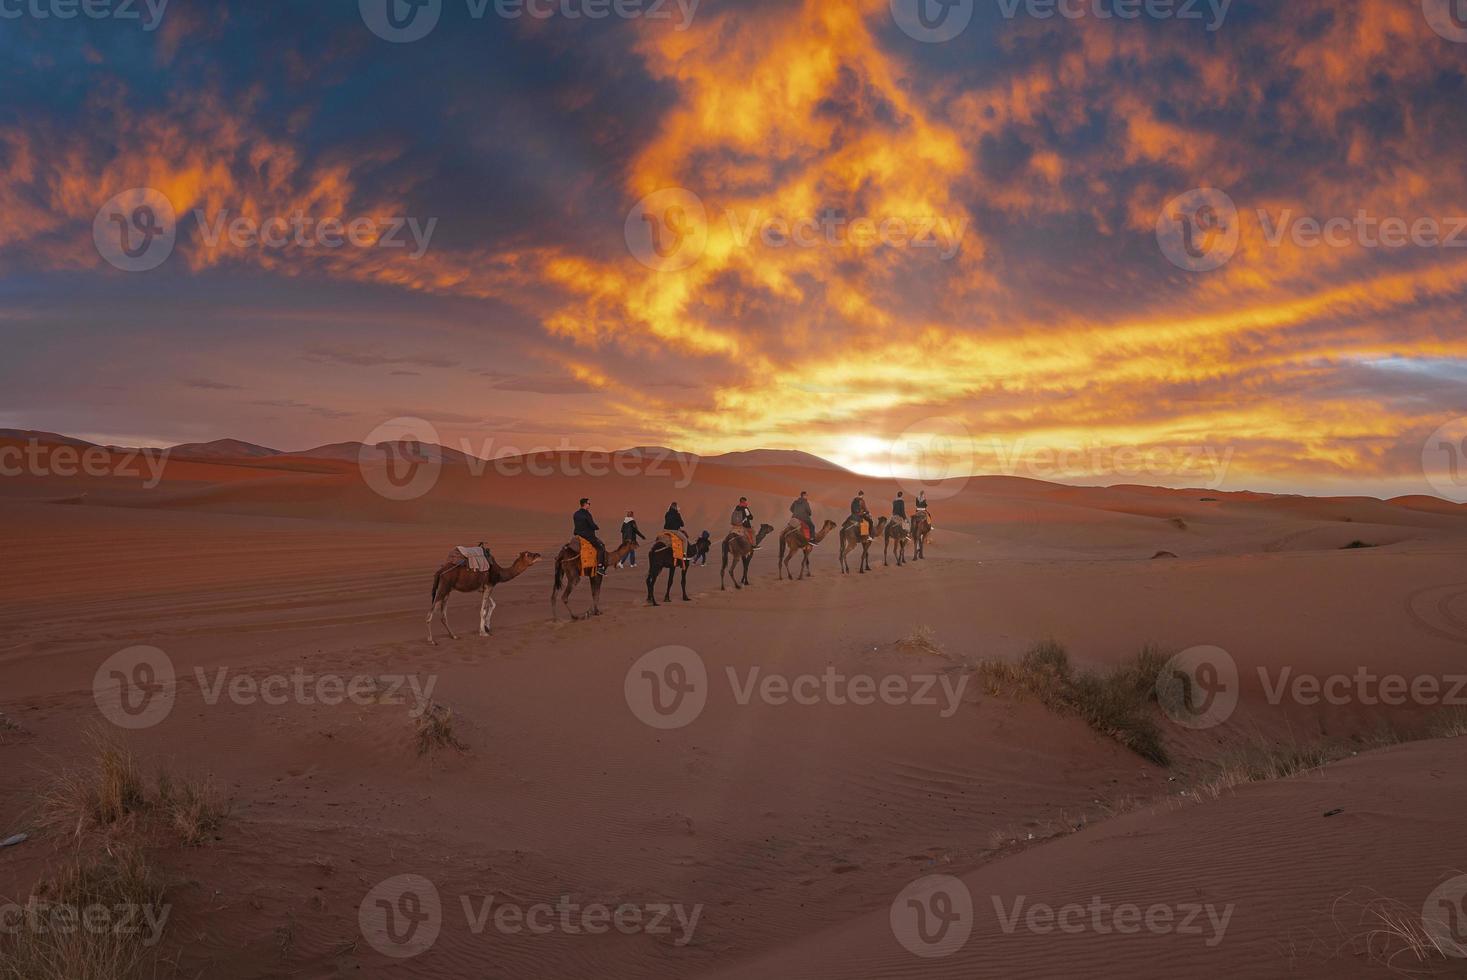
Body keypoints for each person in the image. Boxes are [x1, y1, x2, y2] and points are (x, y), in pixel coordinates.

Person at [573, 497, 607, 572]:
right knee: (600, 548)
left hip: (578, 535)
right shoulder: (587, 514)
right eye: (589, 503)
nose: (589, 505)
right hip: (587, 536)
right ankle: (600, 567)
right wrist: (596, 527)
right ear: (585, 504)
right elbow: (591, 524)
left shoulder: (576, 513)